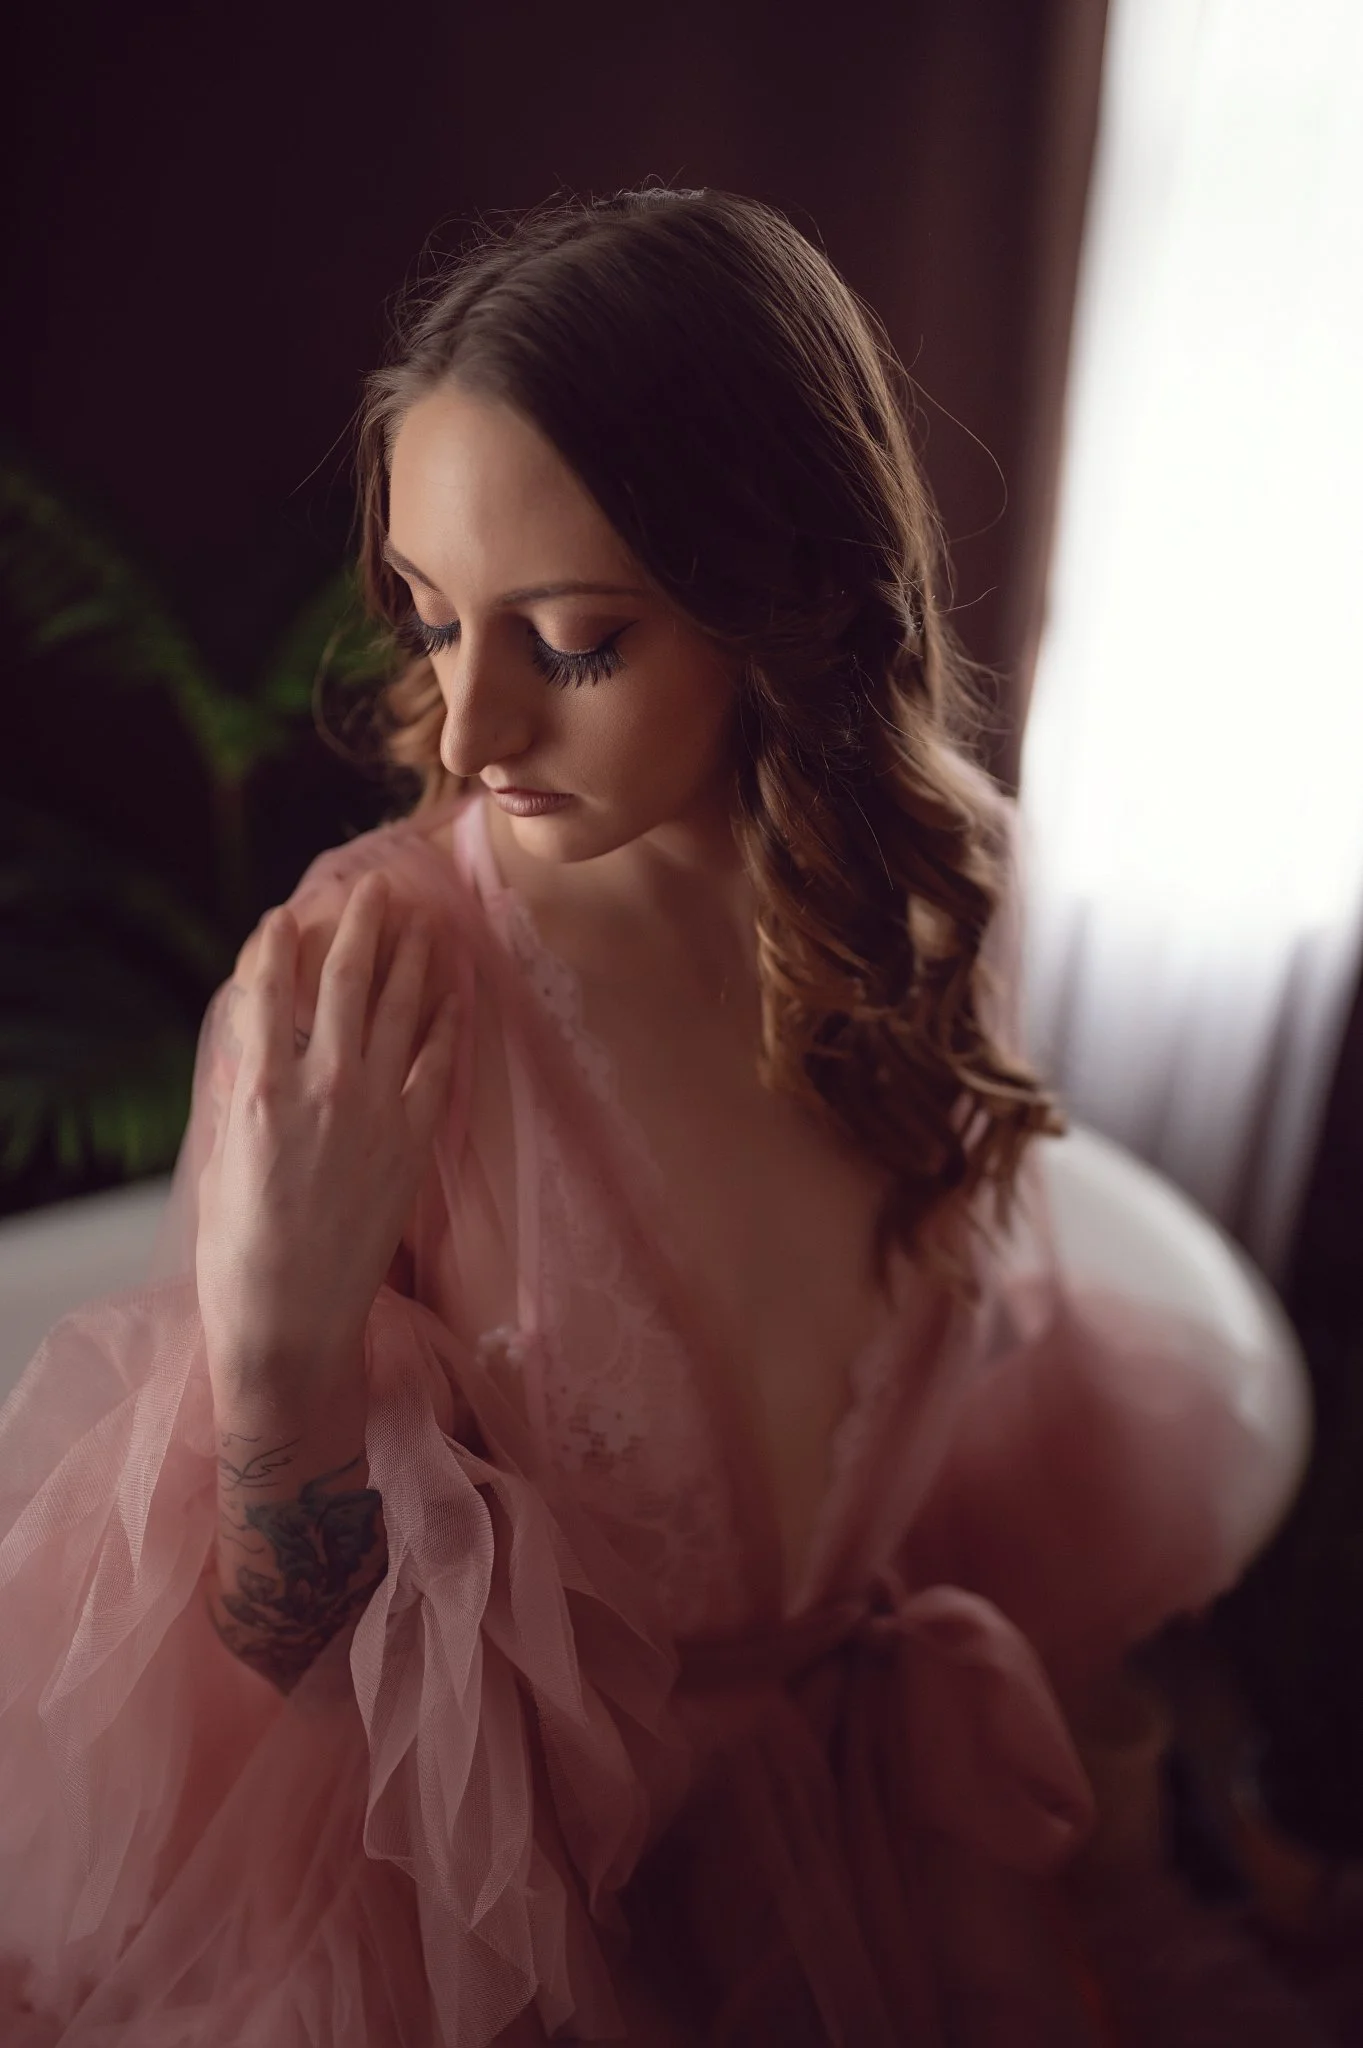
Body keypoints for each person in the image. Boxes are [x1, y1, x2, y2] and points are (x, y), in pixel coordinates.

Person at [0, 187, 1323, 2046]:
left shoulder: (932, 893)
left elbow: (960, 1465)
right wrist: (285, 1359)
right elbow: (286, 1675)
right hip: (526, 1918)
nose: (472, 730)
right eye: (431, 620)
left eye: (571, 641)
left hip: (880, 1834)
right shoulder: (362, 988)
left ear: (785, 596)